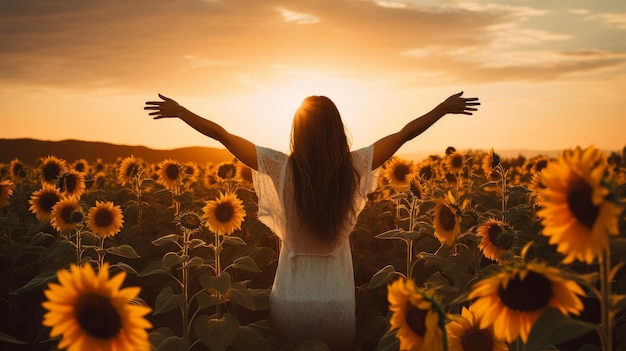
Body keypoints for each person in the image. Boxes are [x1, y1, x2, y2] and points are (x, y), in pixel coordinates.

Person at [144, 92, 479, 349]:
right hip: (337, 300)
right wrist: (442, 109)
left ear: (298, 131)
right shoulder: (353, 167)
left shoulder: (281, 167)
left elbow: (222, 135)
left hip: (291, 298)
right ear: (337, 131)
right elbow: (404, 134)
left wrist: (181, 112)